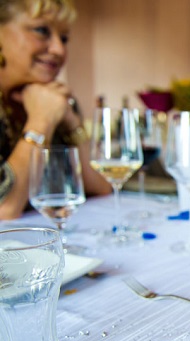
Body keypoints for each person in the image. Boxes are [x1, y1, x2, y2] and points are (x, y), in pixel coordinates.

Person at [0, 0, 111, 220]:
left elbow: (101, 188)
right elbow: (5, 209)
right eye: (41, 31)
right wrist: (41, 121)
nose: (59, 49)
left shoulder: (57, 99)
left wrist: (71, 124)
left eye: (64, 38)